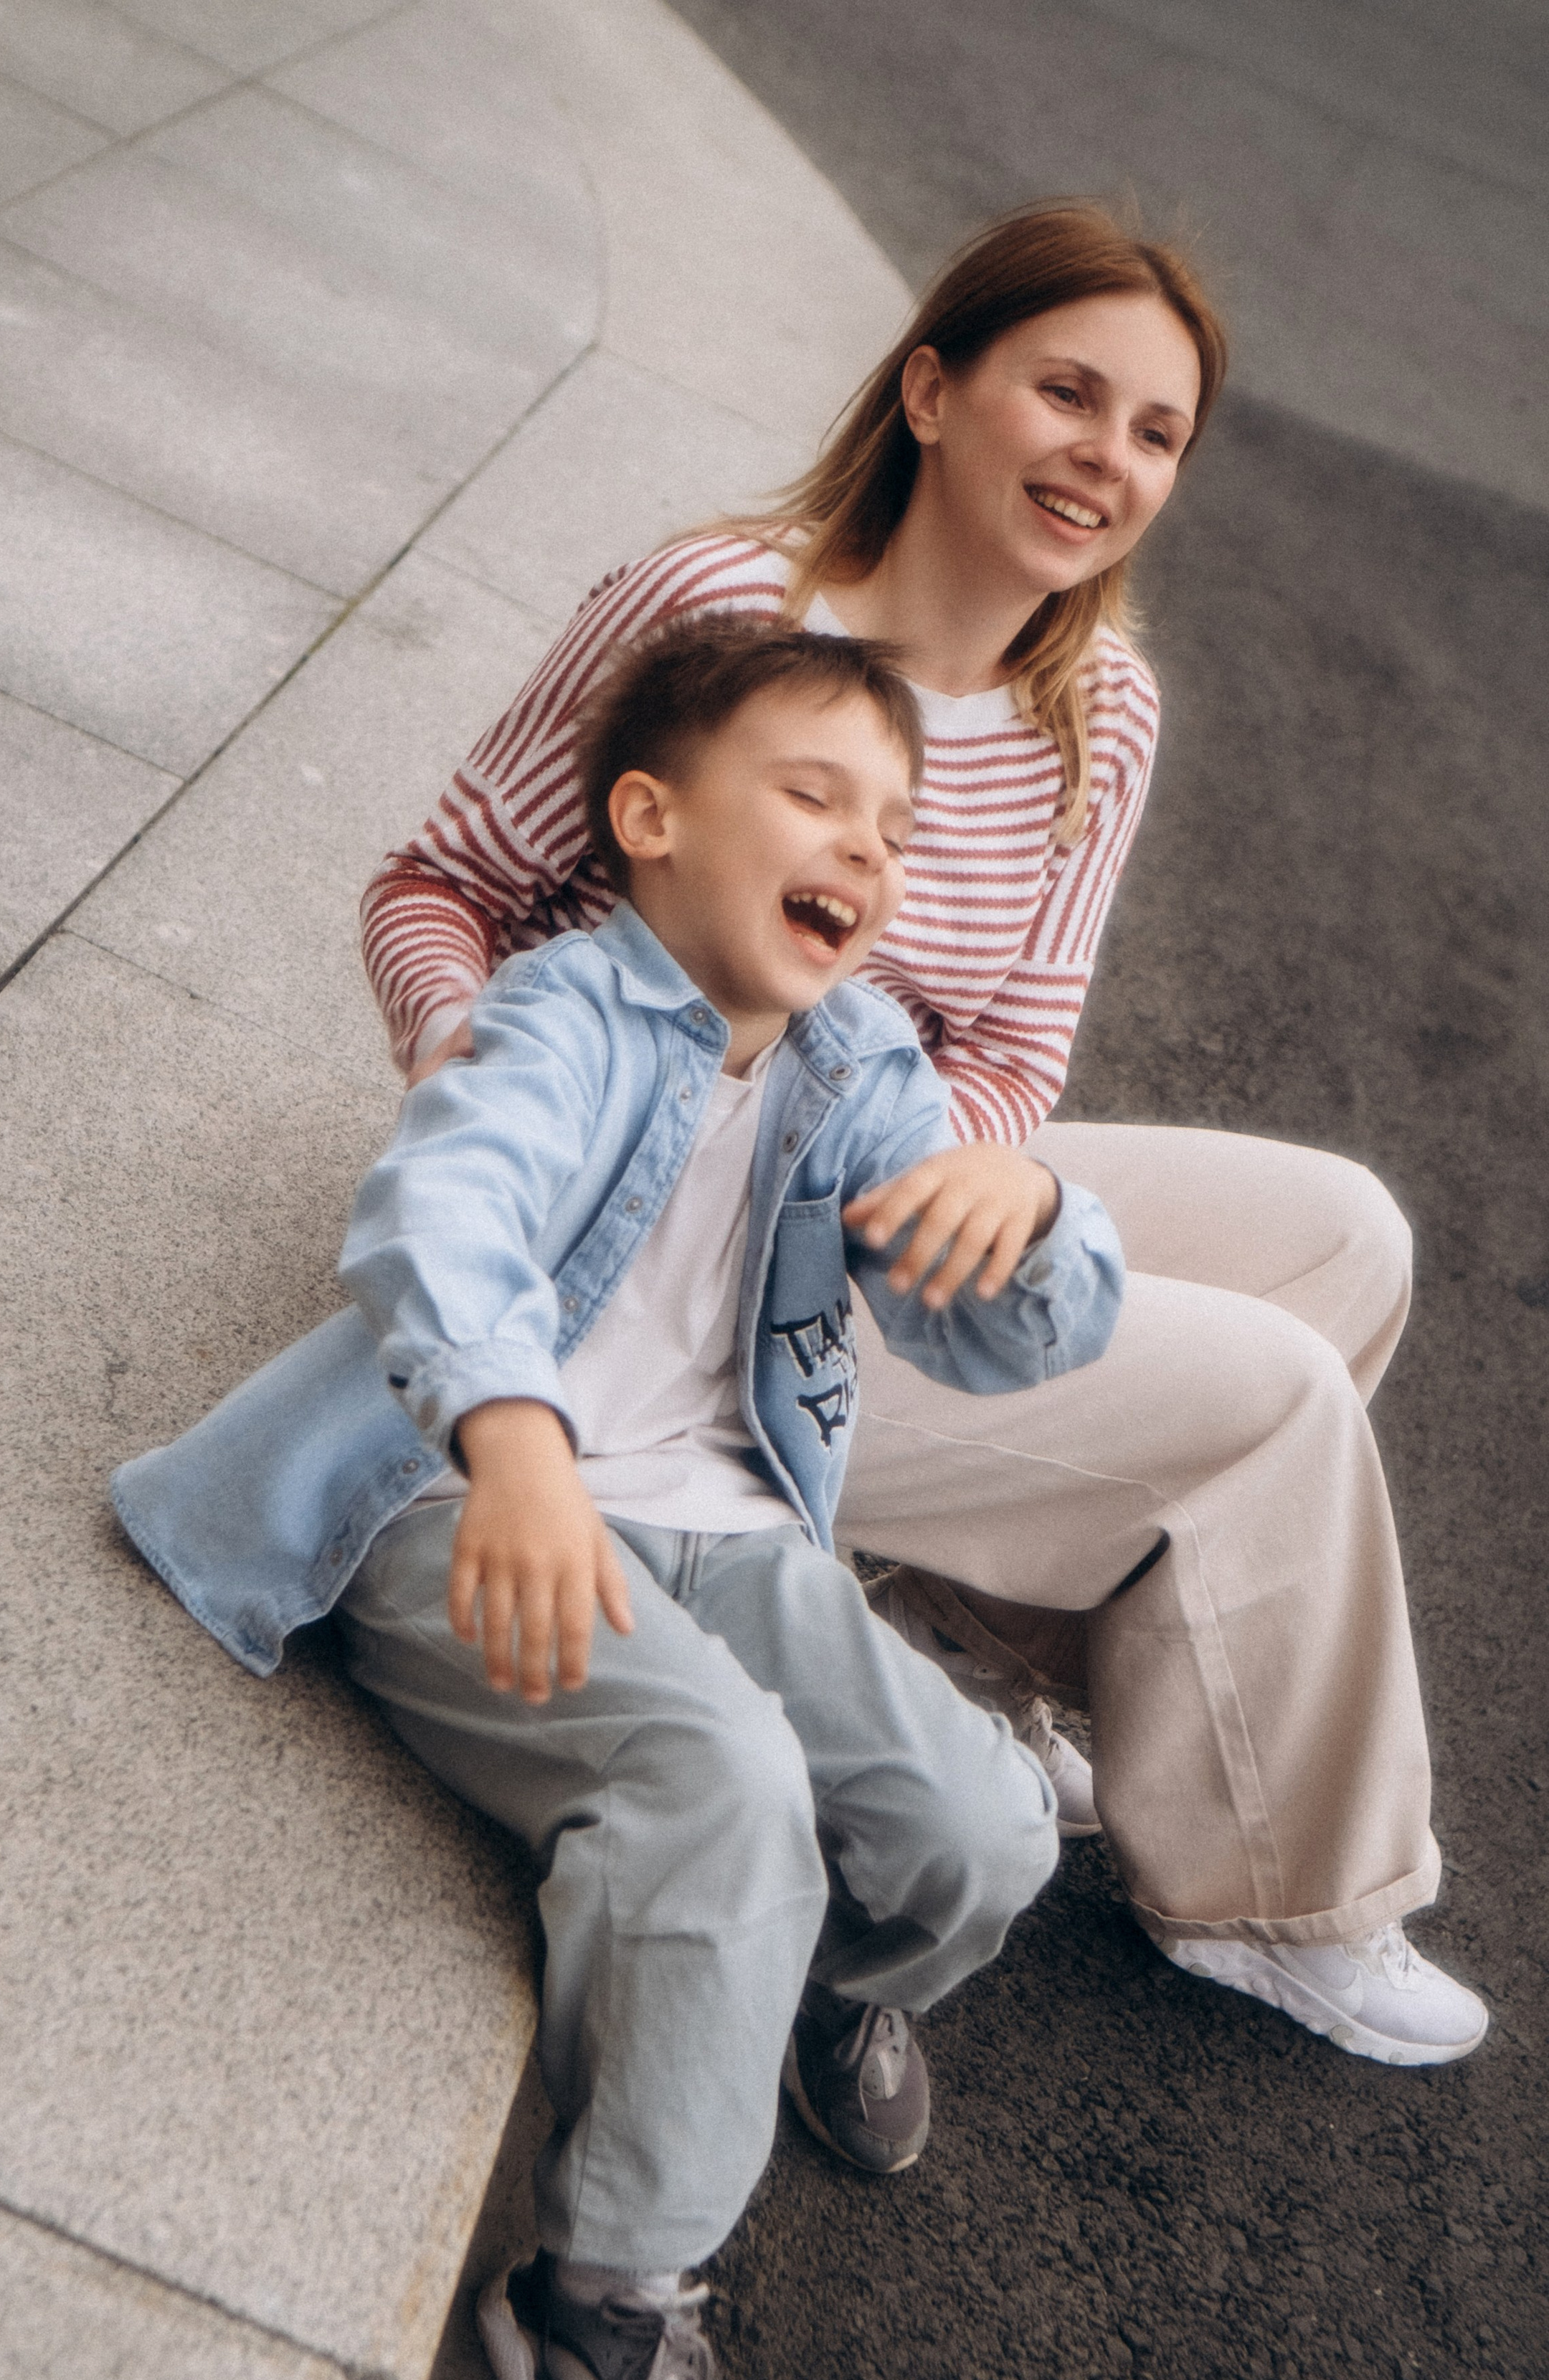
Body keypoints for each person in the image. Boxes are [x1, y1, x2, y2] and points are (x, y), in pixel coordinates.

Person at [359, 199, 1487, 2070]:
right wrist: (476, 1066)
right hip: (667, 1292)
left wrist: (982, 1167)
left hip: (866, 1221)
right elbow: (440, 881)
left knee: (1348, 1235)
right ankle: (1286, 1899)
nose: (1105, 459)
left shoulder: (1098, 707)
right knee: (1279, 1393)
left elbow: (1020, 1048)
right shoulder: (717, 610)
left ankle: (1004, 1656)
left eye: (1155, 433)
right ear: (934, 388)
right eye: (1069, 391)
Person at [112, 621, 1125, 2380]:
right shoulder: (569, 1012)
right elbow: (443, 1209)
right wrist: (511, 1440)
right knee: (722, 1786)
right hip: (472, 1502)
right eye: (816, 794)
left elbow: (987, 1326)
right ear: (652, 821)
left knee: (991, 1826)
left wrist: (1040, 1225)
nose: (867, 849)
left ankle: (831, 1989)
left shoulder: (862, 1063)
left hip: (728, 1524)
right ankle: (602, 2291)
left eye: (896, 825)